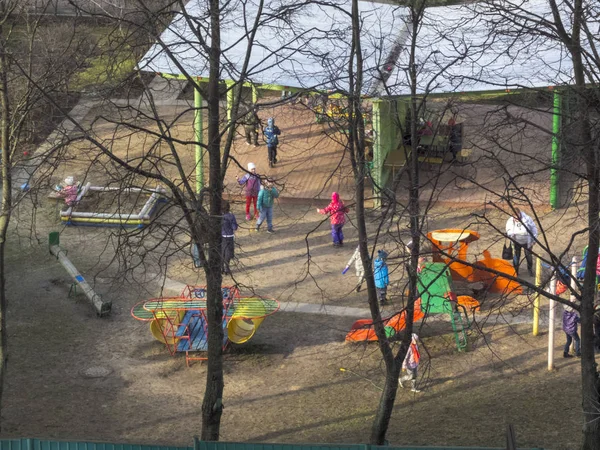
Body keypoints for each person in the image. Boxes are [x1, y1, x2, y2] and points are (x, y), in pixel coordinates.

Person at [505, 207, 538, 276]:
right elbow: (508, 230)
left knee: (528, 256)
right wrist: (511, 234)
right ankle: (516, 271)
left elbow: (534, 228)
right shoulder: (510, 221)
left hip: (527, 241)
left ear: (519, 214)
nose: (516, 218)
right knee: (516, 256)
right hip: (516, 241)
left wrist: (534, 239)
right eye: (514, 216)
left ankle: (530, 270)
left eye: (517, 215)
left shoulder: (527, 219)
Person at [221, 201, 238, 275]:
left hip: (222, 236)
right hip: (229, 236)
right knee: (228, 253)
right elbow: (234, 227)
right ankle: (226, 268)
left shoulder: (220, 217)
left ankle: (221, 268)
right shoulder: (231, 216)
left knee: (222, 252)